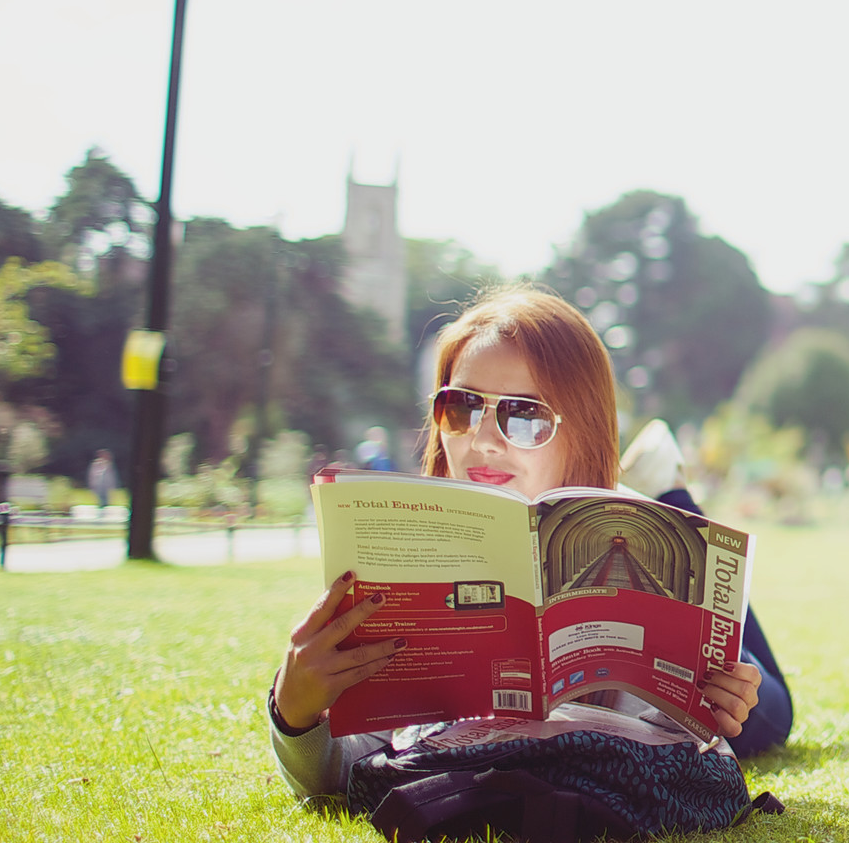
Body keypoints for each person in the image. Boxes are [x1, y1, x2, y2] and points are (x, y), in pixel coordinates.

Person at [265, 286, 787, 801]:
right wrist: (295, 716)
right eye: (462, 407)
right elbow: (349, 769)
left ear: (582, 430)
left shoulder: (631, 542)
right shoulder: (396, 551)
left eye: (525, 415)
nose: (485, 439)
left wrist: (712, 711)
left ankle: (669, 497)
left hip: (664, 588)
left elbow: (673, 754)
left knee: (769, 714)